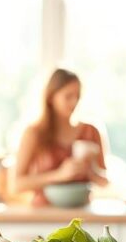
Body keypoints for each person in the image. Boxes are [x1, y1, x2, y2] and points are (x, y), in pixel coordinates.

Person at [11, 69, 107, 205]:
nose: (74, 102)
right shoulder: (34, 133)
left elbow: (106, 183)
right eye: (68, 96)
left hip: (82, 213)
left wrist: (90, 172)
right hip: (44, 214)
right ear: (51, 97)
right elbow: (16, 184)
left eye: (77, 96)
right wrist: (59, 175)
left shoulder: (91, 131)